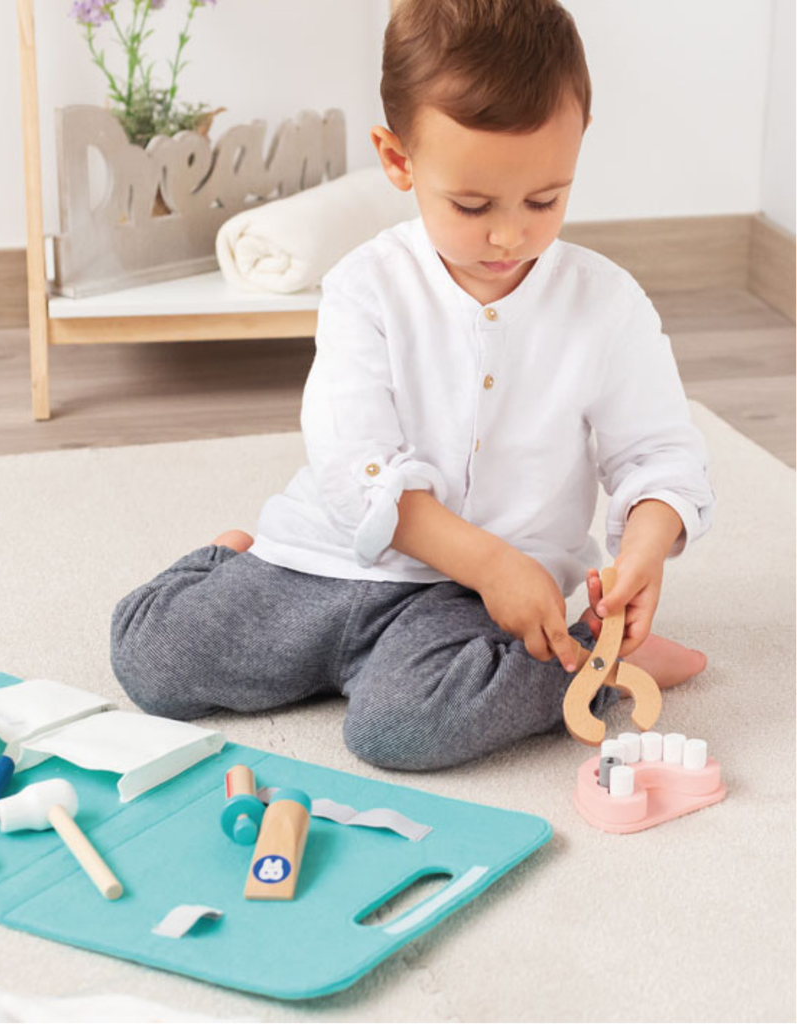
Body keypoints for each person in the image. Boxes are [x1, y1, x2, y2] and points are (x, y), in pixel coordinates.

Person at [110, 0, 714, 770]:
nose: (509, 235)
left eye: (545, 200)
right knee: (151, 661)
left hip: (462, 612)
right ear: (398, 161)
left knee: (400, 731)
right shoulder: (365, 287)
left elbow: (658, 451)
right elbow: (353, 463)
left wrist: (648, 548)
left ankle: (609, 661)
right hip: (327, 559)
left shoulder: (607, 305)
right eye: (471, 205)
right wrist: (490, 563)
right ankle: (227, 558)